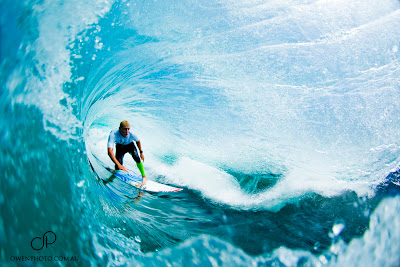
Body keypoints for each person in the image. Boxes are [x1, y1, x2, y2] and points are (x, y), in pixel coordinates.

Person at [107, 120, 146, 184]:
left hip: (130, 146)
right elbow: (109, 151)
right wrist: (119, 165)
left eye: (128, 129)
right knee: (118, 166)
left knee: (137, 158)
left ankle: (144, 176)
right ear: (120, 128)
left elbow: (138, 141)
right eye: (125, 129)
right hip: (120, 147)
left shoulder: (132, 133)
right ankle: (114, 175)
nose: (127, 131)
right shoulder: (113, 134)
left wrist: (141, 152)